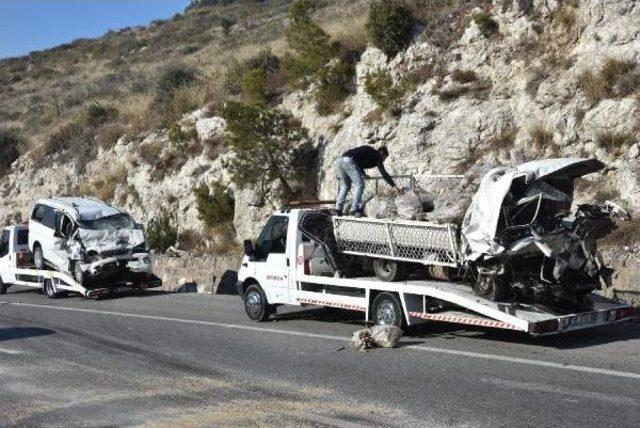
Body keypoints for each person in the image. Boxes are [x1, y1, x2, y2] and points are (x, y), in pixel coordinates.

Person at [334, 145, 401, 216]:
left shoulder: (370, 152)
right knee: (360, 184)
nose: (384, 160)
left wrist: (364, 174)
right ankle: (354, 209)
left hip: (340, 161)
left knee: (346, 186)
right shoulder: (377, 155)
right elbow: (383, 173)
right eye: (385, 157)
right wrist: (393, 185)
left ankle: (338, 209)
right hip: (349, 161)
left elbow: (359, 163)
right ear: (382, 153)